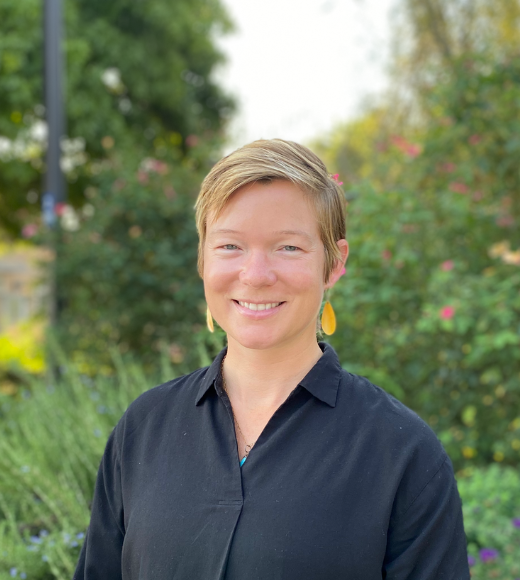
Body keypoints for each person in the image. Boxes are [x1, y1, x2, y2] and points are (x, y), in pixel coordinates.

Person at [74, 139, 470, 579]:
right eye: (230, 247)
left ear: (335, 263)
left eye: (288, 248)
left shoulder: (403, 453)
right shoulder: (143, 428)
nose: (257, 275)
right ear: (202, 258)